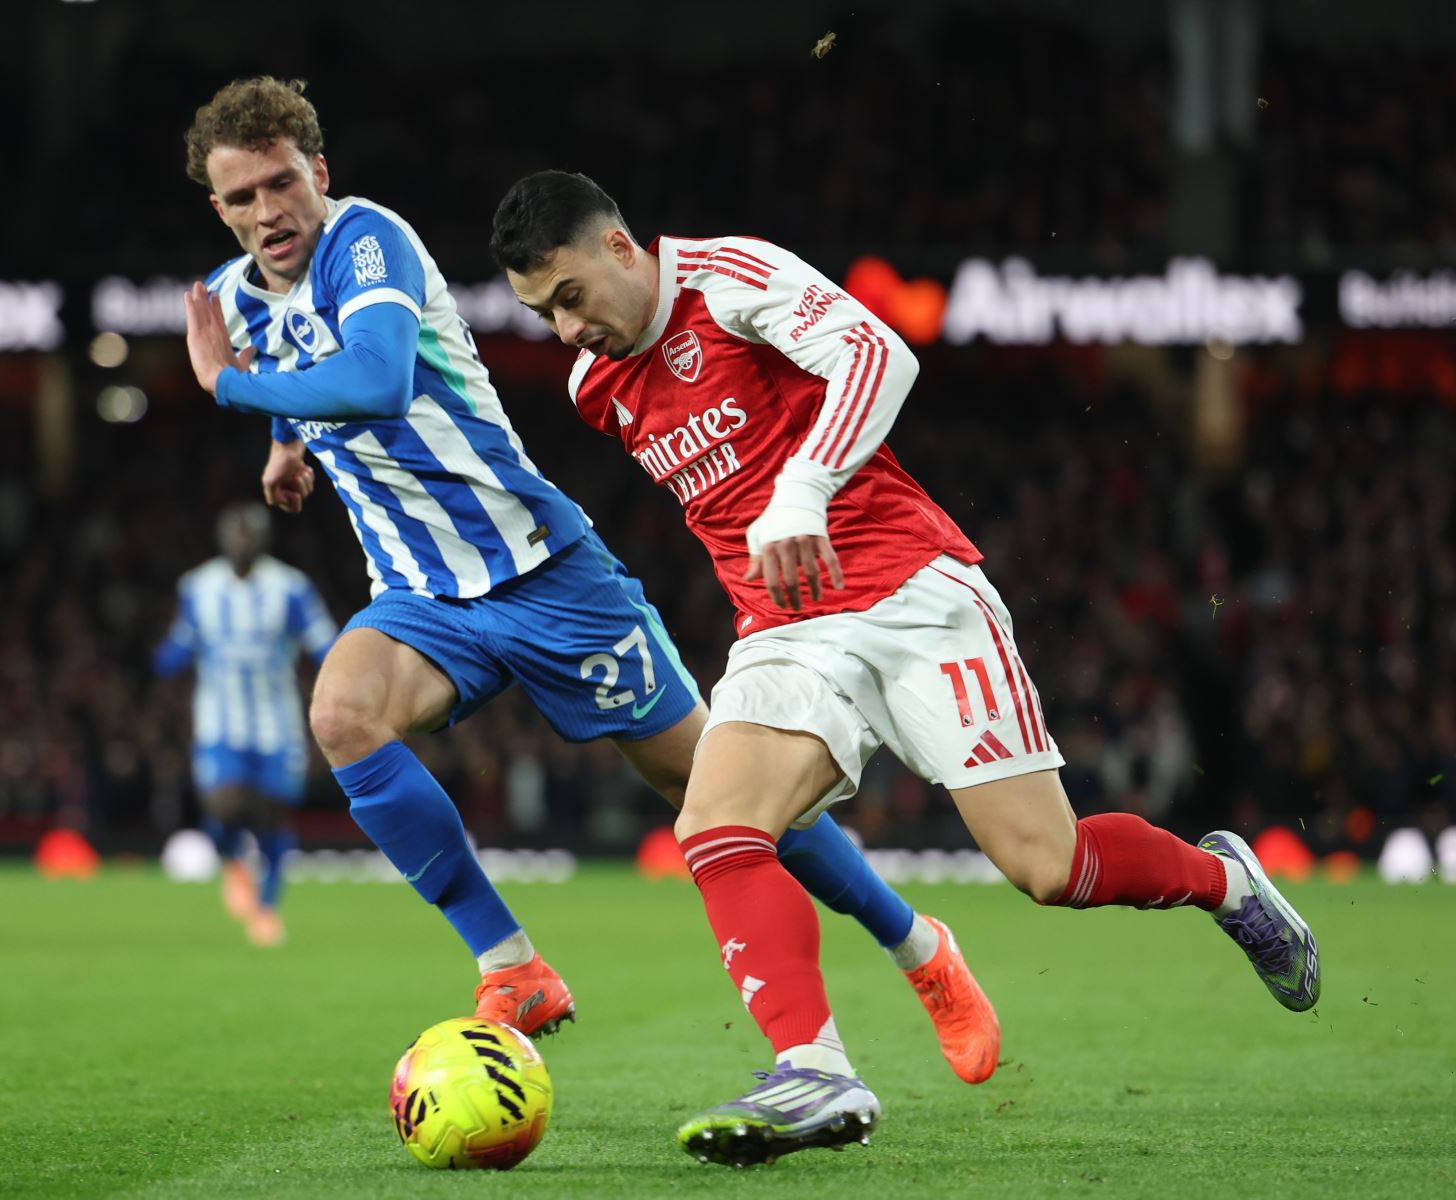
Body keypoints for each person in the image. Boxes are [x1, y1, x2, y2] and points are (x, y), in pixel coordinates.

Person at [490, 170, 1320, 1167]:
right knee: (715, 821)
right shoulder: (597, 389)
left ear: (621, 247)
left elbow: (877, 355)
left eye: (570, 297)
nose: (565, 330)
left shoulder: (728, 279)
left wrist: (803, 492)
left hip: (912, 595)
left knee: (1048, 868)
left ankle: (1223, 883)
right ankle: (815, 1068)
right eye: (542, 315)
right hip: (788, 631)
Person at [176, 78, 997, 1074]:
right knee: (344, 715)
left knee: (716, 786)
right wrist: (284, 443)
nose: (269, 212)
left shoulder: (366, 242)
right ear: (216, 209)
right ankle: (512, 963)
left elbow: (377, 377)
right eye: (241, 198)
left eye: (282, 183)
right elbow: (286, 349)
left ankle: (918, 947)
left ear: (321, 173)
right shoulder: (228, 301)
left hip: (544, 571)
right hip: (421, 592)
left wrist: (231, 389)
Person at [154, 502, 337, 946]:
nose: (242, 541)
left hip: (276, 722)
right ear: (222, 539)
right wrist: (157, 664)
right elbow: (178, 645)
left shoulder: (291, 588)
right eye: (235, 533)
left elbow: (324, 644)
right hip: (220, 721)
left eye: (250, 533)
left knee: (274, 813)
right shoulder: (199, 587)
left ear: (263, 539)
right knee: (225, 803)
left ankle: (267, 908)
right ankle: (235, 864)